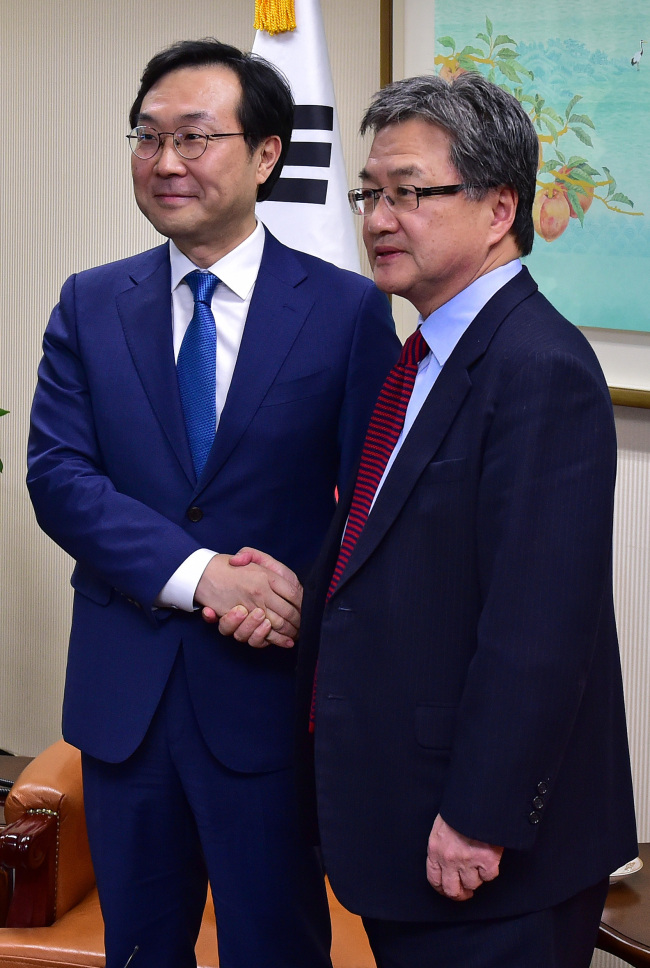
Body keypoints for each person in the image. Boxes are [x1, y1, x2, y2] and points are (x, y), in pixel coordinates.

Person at [27, 38, 399, 968]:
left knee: (276, 945)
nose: (165, 162)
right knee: (141, 949)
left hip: (268, 699)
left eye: (194, 137)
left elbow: (372, 502)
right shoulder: (89, 302)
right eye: (147, 137)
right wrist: (202, 580)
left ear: (268, 153)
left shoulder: (347, 310)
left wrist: (295, 599)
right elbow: (60, 478)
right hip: (127, 708)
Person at [287, 73, 638, 968]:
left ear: (499, 208)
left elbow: (539, 628)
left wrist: (480, 817)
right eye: (370, 193)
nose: (377, 217)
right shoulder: (424, 355)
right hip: (402, 820)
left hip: (484, 857)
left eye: (409, 192)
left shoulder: (539, 368)